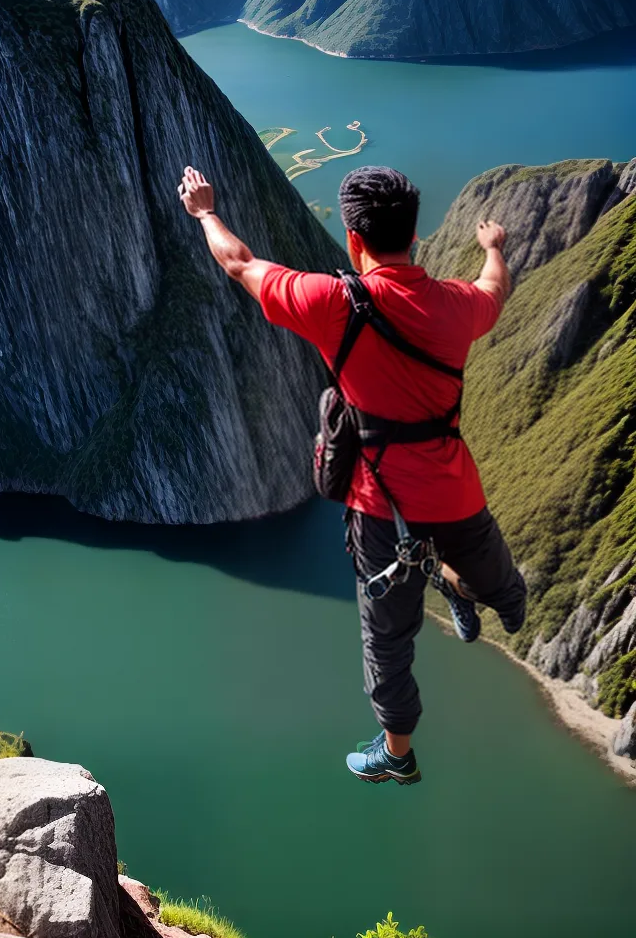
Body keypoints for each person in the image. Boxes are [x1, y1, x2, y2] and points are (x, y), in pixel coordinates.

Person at [178, 164, 527, 786]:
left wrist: (205, 211)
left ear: (353, 239)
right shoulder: (455, 306)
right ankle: (469, 588)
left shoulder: (329, 303)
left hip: (378, 510)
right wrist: (494, 248)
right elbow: (494, 288)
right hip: (455, 494)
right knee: (507, 592)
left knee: (389, 640)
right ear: (415, 238)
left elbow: (239, 263)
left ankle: (398, 752)